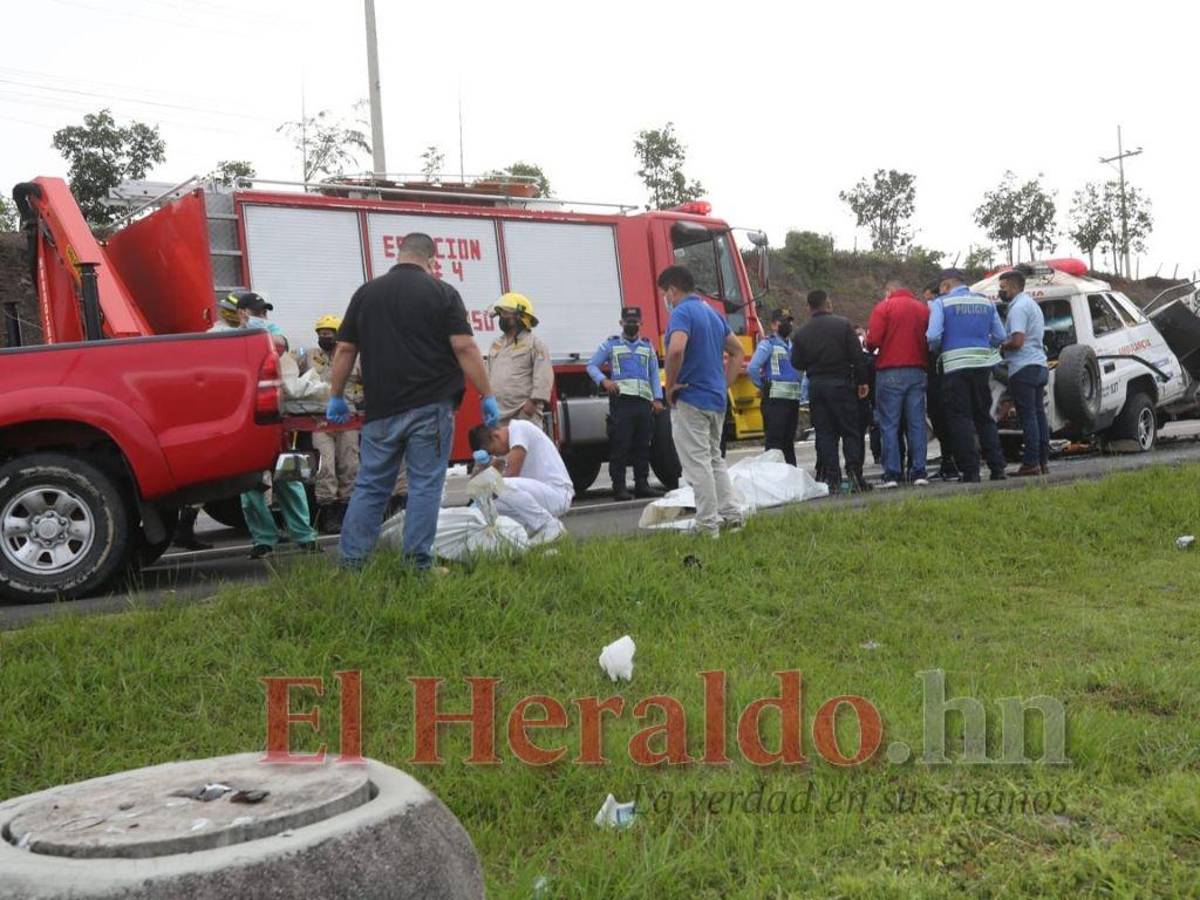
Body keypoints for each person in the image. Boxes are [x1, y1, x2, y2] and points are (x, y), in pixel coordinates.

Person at [327, 233, 500, 571]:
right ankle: (418, 565)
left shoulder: (365, 294)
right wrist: (486, 394)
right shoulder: (442, 293)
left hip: (380, 410)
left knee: (371, 485)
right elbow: (464, 347)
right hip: (430, 408)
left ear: (399, 255)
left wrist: (335, 396)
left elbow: (345, 349)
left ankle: (351, 564)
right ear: (431, 260)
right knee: (424, 485)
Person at [226, 291, 319, 558]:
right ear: (243, 314)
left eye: (265, 314)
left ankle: (304, 536)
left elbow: (280, 342)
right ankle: (263, 539)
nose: (263, 318)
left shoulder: (270, 333)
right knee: (251, 486)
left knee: (288, 477)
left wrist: (261, 329)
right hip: (243, 423)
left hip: (273, 420)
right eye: (258, 314)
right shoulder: (224, 337)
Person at [660, 265, 746, 537]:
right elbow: (737, 351)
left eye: (665, 293)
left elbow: (675, 350)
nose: (666, 299)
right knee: (714, 459)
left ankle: (707, 525)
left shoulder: (682, 312)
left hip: (691, 398)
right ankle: (733, 516)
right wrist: (723, 384)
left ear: (673, 290)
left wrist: (670, 385)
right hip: (715, 399)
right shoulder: (713, 313)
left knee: (697, 464)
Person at [926, 268, 1007, 483]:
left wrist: (939, 349)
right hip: (982, 365)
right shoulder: (986, 302)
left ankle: (971, 471)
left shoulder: (941, 303)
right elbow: (1000, 335)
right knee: (984, 416)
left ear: (945, 286)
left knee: (960, 418)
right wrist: (982, 347)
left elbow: (933, 336)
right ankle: (997, 468)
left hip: (954, 366)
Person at [791, 290, 872, 492]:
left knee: (825, 434)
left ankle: (832, 479)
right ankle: (854, 474)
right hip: (842, 384)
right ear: (828, 304)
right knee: (851, 431)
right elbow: (857, 357)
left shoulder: (801, 333)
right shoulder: (843, 325)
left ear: (809, 307)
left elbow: (797, 363)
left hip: (817, 387)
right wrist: (863, 381)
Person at [586, 306, 665, 500]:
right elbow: (591, 365)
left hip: (643, 403)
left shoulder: (648, 347)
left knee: (642, 445)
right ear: (621, 323)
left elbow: (654, 374)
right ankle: (619, 487)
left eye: (635, 322)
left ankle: (642, 484)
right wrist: (604, 381)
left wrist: (657, 398)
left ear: (641, 323)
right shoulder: (611, 345)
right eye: (628, 322)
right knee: (620, 446)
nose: (631, 325)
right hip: (622, 403)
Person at [297, 314, 363, 533]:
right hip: (320, 420)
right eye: (321, 333)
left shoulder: (353, 355)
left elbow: (368, 381)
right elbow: (290, 379)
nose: (324, 337)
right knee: (325, 466)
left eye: (328, 333)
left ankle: (347, 511)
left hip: (349, 418)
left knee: (350, 464)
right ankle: (327, 512)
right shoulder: (308, 356)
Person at [867, 280, 931, 487]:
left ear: (889, 291)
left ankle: (892, 473)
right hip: (917, 371)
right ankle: (919, 471)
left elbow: (873, 341)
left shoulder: (883, 307)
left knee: (889, 424)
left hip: (890, 371)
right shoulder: (923, 309)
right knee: (916, 423)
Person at [468, 421, 573, 543]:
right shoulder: (507, 451)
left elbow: (511, 474)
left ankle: (549, 526)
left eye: (493, 451)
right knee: (485, 504)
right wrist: (479, 468)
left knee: (500, 485)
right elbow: (476, 489)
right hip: (539, 496)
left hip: (557, 493)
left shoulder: (519, 429)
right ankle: (523, 533)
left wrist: (490, 473)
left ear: (496, 436)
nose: (495, 455)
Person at [998, 268, 1050, 476]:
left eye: (1002, 288)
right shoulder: (1032, 305)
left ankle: (1030, 463)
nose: (1000, 291)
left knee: (1028, 416)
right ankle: (1043, 461)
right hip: (1039, 364)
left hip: (1023, 367)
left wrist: (1002, 345)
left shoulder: (1017, 308)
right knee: (1039, 415)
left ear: (1013, 286)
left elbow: (1018, 341)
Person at [486, 292, 553, 432]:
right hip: (499, 415)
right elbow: (489, 374)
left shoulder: (535, 344)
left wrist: (532, 404)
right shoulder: (496, 344)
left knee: (526, 452)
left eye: (504, 314)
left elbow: (544, 377)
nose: (501, 319)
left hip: (524, 414)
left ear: (519, 316)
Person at [747, 308, 803, 465]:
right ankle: (772, 479)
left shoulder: (793, 345)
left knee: (788, 443)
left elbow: (799, 372)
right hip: (775, 401)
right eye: (783, 322)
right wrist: (763, 386)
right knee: (774, 444)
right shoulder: (768, 343)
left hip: (792, 400)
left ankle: (791, 478)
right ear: (773, 325)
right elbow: (752, 368)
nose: (788, 325)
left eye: (789, 321)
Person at [922, 281, 959, 481]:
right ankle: (956, 461)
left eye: (928, 298)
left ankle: (949, 462)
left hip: (938, 370)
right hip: (957, 367)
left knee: (941, 417)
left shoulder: (937, 309)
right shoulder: (956, 310)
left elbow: (932, 339)